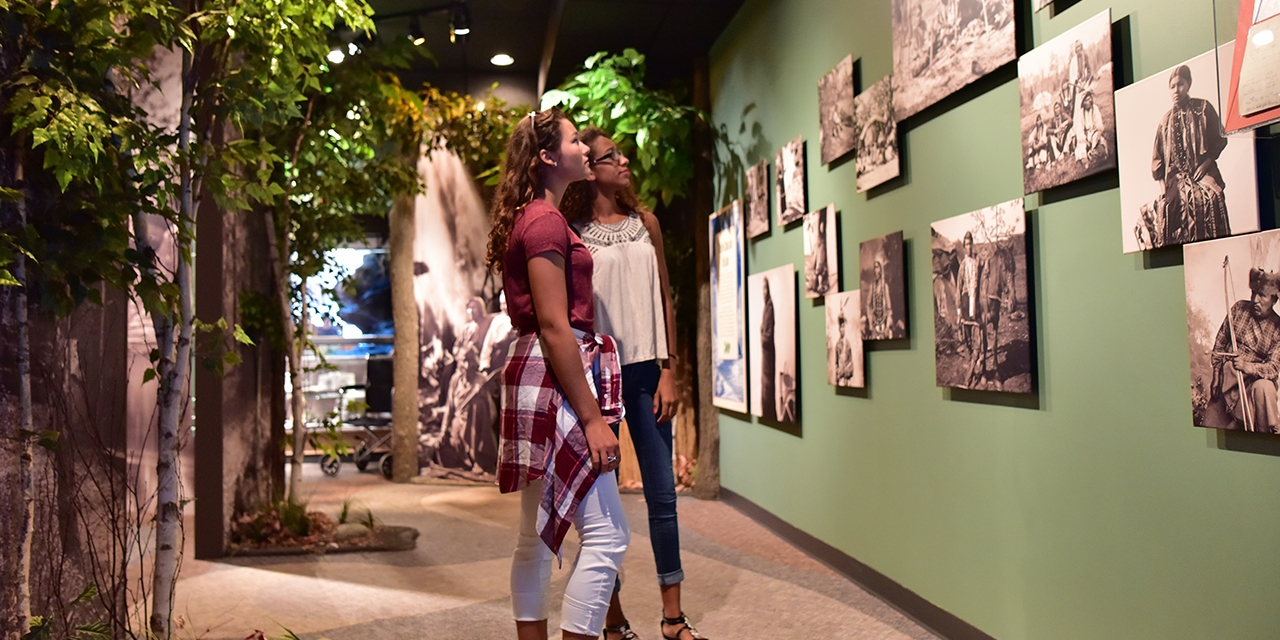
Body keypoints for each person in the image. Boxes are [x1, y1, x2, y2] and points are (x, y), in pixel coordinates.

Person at [487, 108, 629, 640]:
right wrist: (594, 418)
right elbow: (553, 322)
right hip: (555, 376)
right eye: (575, 140)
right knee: (608, 535)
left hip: (539, 374)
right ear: (548, 157)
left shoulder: (533, 216)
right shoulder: (545, 221)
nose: (586, 148)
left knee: (534, 537)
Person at [561, 127, 708, 640]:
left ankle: (672, 617)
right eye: (611, 156)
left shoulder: (647, 224)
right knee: (602, 505)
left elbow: (664, 295)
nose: (623, 161)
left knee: (662, 497)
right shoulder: (572, 230)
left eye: (621, 153)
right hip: (598, 376)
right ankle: (613, 617)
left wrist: (669, 369)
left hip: (648, 372)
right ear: (590, 168)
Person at [1152, 64, 1230, 245]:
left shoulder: (1203, 108)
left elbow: (1220, 138)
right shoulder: (1165, 122)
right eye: (1172, 87)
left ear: (1189, 84)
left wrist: (1205, 164)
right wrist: (1164, 189)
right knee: (1169, 207)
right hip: (1176, 178)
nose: (1176, 91)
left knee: (1212, 198)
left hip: (1205, 172)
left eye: (1180, 84)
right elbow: (1157, 161)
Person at [1211, 268, 1280, 433]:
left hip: (1253, 385)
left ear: (1274, 299)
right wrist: (1216, 374)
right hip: (1229, 382)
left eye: (1262, 295)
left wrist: (1248, 367)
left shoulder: (1278, 327)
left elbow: (1274, 368)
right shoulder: (1239, 308)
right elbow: (1220, 341)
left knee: (1265, 388)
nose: (1255, 300)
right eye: (1254, 293)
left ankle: (1268, 435)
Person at [760, 278, 777, 421]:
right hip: (765, 354)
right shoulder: (766, 307)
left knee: (768, 384)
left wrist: (762, 334)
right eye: (762, 289)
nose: (763, 292)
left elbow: (768, 335)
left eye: (765, 289)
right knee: (764, 383)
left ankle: (769, 412)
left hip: (769, 353)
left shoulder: (770, 308)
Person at [867, 260, 894, 339]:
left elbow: (889, 308)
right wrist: (870, 323)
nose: (876, 271)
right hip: (874, 324)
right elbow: (868, 304)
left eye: (877, 267)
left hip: (884, 323)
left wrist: (888, 325)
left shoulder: (885, 287)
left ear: (881, 270)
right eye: (874, 268)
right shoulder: (872, 287)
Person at [834, 312, 855, 386]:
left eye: (843, 326)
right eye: (841, 327)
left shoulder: (848, 343)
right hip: (840, 379)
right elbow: (835, 363)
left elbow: (851, 362)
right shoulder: (837, 345)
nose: (842, 329)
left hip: (847, 379)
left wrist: (845, 371)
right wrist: (838, 372)